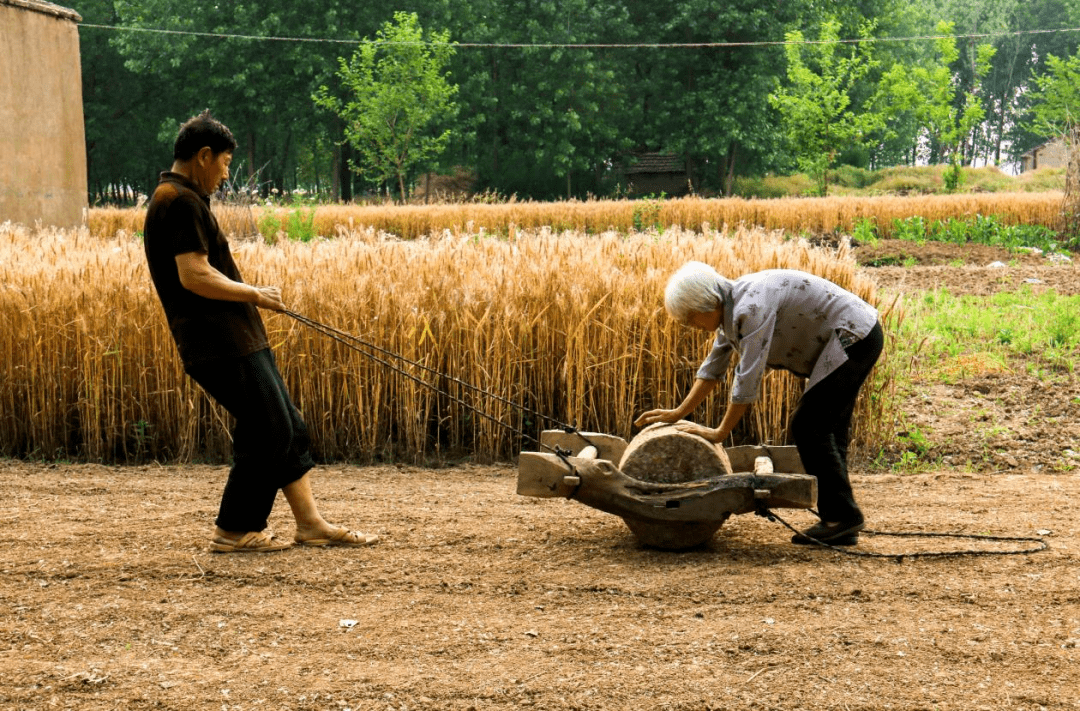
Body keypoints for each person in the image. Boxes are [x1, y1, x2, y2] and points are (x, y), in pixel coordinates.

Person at [143, 110, 378, 553]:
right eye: (226, 163)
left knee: (286, 423)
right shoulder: (178, 200)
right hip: (218, 342)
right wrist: (255, 293)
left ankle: (309, 523)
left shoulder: (178, 197)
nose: (226, 174)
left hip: (236, 337)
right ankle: (235, 529)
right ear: (204, 155)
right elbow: (193, 275)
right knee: (270, 427)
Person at [635, 261, 884, 546]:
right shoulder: (731, 307)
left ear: (707, 305)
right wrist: (678, 413)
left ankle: (841, 517)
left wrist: (719, 433)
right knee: (825, 428)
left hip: (854, 335)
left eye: (691, 318)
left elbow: (747, 379)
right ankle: (841, 519)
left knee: (809, 425)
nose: (692, 326)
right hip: (855, 333)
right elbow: (712, 369)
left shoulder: (750, 308)